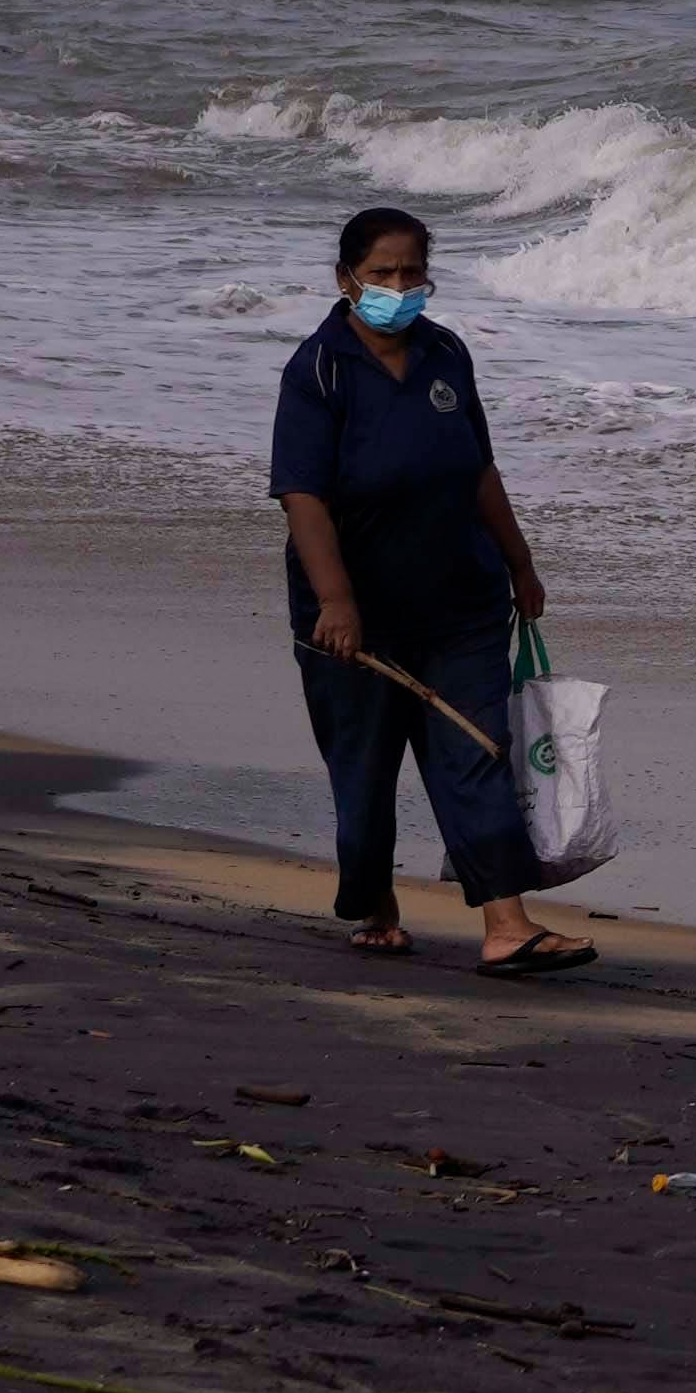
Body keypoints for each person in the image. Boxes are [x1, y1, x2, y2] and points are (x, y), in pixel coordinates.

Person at [268, 205, 589, 976]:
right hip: (355, 612)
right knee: (366, 765)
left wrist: (519, 562)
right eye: (382, 274)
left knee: (476, 751)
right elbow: (301, 495)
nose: (399, 287)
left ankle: (508, 925)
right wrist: (337, 602)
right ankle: (375, 904)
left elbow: (479, 467)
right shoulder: (318, 370)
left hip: (461, 600)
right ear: (345, 278)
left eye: (413, 273)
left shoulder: (446, 352)